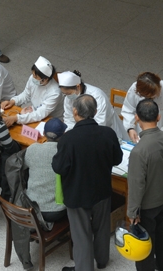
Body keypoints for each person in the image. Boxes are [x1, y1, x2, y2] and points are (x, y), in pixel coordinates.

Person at [52, 94, 123, 271]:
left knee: (81, 235)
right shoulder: (108, 133)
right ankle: (102, 260)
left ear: (75, 112)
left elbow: (59, 168)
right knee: (102, 228)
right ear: (95, 112)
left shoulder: (68, 139)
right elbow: (117, 159)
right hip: (102, 190)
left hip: (77, 194)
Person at [126, 99, 163, 271]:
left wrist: (132, 212)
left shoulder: (139, 151)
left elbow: (136, 185)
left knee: (144, 243)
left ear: (136, 118)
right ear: (158, 117)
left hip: (147, 207)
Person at [58, 70, 128, 139]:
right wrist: (69, 133)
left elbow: (99, 123)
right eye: (65, 94)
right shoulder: (68, 98)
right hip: (81, 132)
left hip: (106, 131)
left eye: (68, 93)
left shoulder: (98, 96)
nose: (67, 96)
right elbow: (69, 118)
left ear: (78, 86)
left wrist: (81, 135)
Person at [120, 72, 163, 143]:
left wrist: (161, 133)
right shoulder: (135, 88)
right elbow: (128, 109)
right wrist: (130, 128)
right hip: (142, 134)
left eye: (152, 96)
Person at [23, 118, 68, 223]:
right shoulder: (64, 153)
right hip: (56, 210)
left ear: (43, 133)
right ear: (63, 134)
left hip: (32, 207)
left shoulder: (32, 149)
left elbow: (25, 166)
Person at [1, 56, 64, 127]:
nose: (33, 77)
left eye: (36, 76)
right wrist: (13, 101)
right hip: (35, 112)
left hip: (51, 119)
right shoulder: (33, 78)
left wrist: (16, 118)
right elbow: (26, 94)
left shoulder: (55, 93)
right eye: (33, 74)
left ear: (46, 79)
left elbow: (40, 113)